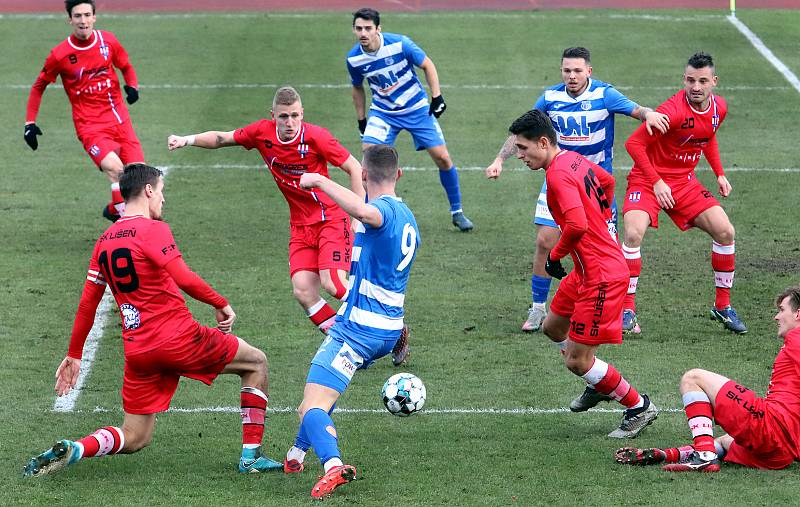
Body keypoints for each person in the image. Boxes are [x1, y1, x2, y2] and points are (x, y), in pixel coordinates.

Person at [23, 164, 282, 478]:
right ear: (148, 190)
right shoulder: (153, 230)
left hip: (139, 352)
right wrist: (220, 303)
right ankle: (252, 458)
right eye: (161, 191)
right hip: (178, 338)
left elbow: (87, 305)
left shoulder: (104, 241)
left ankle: (78, 448)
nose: (163, 199)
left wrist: (75, 354)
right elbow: (183, 277)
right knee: (256, 363)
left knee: (136, 436)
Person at [486, 47, 669, 333]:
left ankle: (624, 311)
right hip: (558, 182)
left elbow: (635, 109)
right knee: (545, 241)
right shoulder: (550, 97)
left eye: (577, 71)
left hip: (592, 184)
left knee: (605, 250)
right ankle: (537, 308)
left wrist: (649, 114)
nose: (572, 76)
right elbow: (522, 131)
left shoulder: (604, 94)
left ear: (589, 72)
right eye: (567, 70)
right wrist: (500, 159)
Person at [282, 145, 420, 499]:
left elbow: (363, 210)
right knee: (327, 388)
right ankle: (296, 454)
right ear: (399, 174)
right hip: (386, 331)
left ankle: (332, 465)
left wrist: (318, 180)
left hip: (358, 331)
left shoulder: (383, 212)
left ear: (362, 176)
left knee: (309, 407)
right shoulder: (409, 217)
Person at [510, 110, 658, 438]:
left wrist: (555, 256)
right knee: (552, 327)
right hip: (586, 270)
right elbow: (607, 181)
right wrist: (604, 219)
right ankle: (599, 380)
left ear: (543, 142)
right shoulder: (573, 159)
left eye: (522, 148)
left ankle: (639, 406)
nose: (519, 155)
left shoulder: (557, 175)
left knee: (576, 361)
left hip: (602, 276)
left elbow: (576, 224)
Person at [621, 52, 746, 335]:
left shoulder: (719, 109)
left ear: (714, 81)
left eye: (702, 81)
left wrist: (719, 173)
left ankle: (723, 306)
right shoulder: (671, 112)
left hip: (684, 182)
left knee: (725, 231)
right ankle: (627, 309)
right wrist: (655, 182)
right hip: (647, 180)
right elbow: (633, 144)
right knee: (632, 234)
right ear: (684, 80)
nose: (696, 87)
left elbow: (708, 135)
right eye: (690, 80)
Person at [616, 286, 800, 472]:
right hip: (782, 452)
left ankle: (704, 457)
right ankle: (666, 454)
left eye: (782, 310)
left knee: (693, 378)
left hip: (772, 425)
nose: (776, 317)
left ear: (798, 314)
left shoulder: (797, 338)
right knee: (723, 440)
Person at [347, 7, 473, 232]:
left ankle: (457, 212)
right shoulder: (354, 59)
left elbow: (427, 64)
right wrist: (361, 119)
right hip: (384, 112)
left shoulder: (400, 44)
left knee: (443, 158)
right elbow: (357, 88)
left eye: (368, 28)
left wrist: (437, 96)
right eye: (359, 28)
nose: (363, 33)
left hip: (416, 108)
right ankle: (368, 211)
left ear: (378, 29)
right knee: (369, 154)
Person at [25, 0, 144, 222]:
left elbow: (126, 66)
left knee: (140, 179)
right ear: (70, 19)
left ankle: (112, 210)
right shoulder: (60, 55)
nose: (83, 21)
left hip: (120, 120)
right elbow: (38, 86)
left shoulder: (108, 41)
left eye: (87, 15)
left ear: (94, 17)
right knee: (118, 172)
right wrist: (29, 124)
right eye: (77, 16)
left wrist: (132, 86)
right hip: (90, 127)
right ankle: (125, 227)